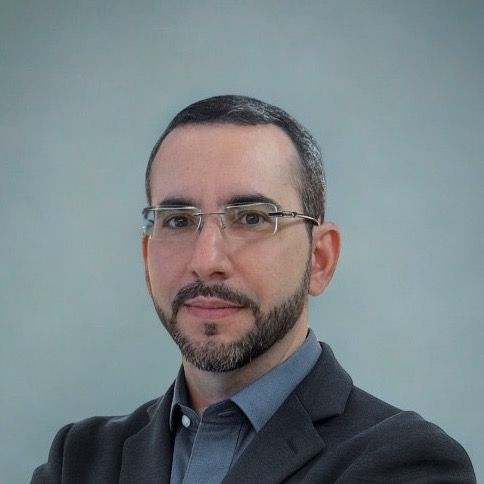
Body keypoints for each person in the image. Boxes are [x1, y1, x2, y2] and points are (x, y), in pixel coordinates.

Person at [32, 95, 476, 483]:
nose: (206, 260)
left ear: (319, 260)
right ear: (148, 259)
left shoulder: (406, 463)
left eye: (251, 218)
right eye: (178, 220)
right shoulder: (80, 460)